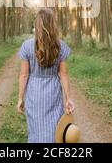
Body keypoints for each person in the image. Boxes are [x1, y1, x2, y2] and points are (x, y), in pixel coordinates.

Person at [17, 8, 75, 143]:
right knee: (54, 130)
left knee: (36, 131)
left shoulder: (26, 46)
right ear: (52, 25)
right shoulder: (60, 46)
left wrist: (21, 98)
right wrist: (68, 98)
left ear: (37, 25)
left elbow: (24, 75)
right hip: (53, 93)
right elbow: (64, 74)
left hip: (34, 93)